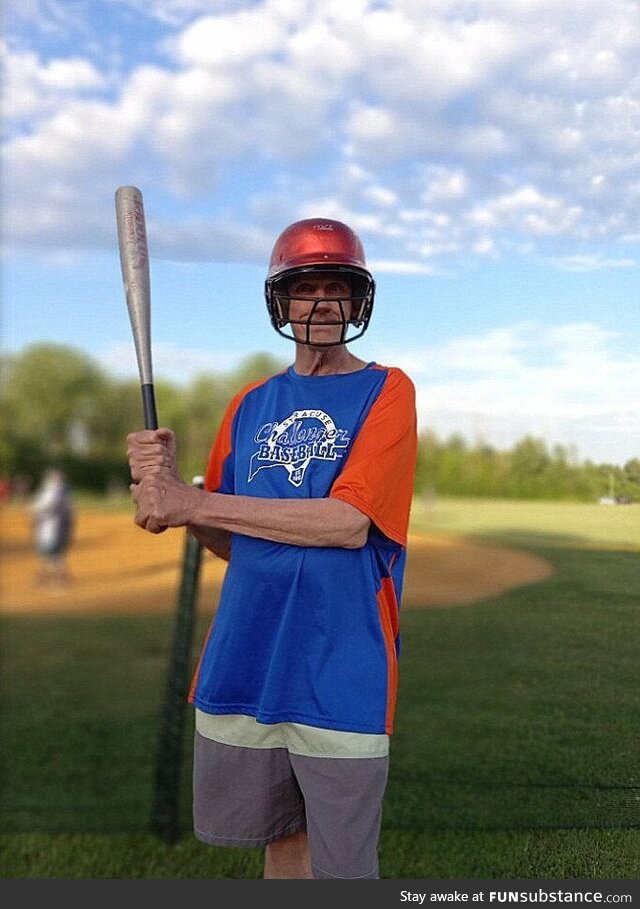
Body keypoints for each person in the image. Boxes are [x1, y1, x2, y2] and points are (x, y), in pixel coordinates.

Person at [126, 217, 418, 879]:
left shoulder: (388, 390)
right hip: (248, 663)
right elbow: (233, 538)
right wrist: (171, 494)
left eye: (335, 287)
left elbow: (348, 522)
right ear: (280, 302)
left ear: (357, 301)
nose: (319, 302)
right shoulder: (248, 405)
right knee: (282, 846)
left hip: (339, 669)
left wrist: (194, 499)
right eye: (303, 287)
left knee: (343, 866)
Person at [30, 467, 75, 585]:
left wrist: (34, 511)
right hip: (53, 527)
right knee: (50, 553)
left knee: (52, 553)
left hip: (52, 528)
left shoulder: (56, 492)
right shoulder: (62, 492)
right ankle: (46, 576)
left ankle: (58, 577)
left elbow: (46, 506)